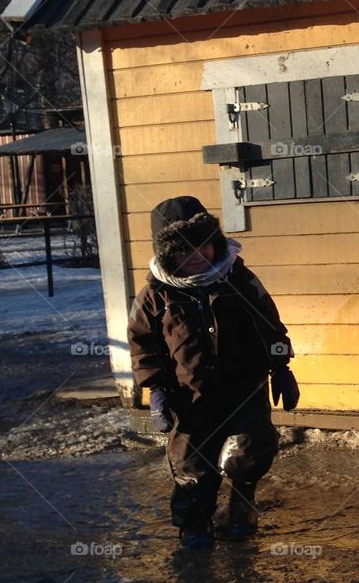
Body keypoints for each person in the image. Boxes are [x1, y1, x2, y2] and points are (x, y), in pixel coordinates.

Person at [127, 196, 300, 550]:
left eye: (203, 244)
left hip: (244, 385)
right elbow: (142, 343)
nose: (197, 255)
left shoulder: (238, 278)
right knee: (191, 463)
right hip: (189, 393)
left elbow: (270, 324)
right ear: (167, 253)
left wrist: (281, 366)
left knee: (252, 450)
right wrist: (156, 389)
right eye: (183, 249)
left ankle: (240, 506)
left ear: (214, 242)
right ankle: (194, 524)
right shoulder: (154, 296)